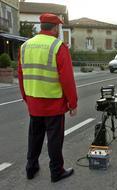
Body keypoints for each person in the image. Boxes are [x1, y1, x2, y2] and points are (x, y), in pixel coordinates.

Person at [18, 13, 78, 183]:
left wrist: (25, 97)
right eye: (58, 27)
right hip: (53, 103)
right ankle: (56, 172)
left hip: (34, 102)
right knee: (54, 139)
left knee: (34, 136)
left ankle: (31, 168)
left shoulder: (25, 46)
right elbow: (67, 79)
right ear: (55, 28)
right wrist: (72, 103)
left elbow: (21, 75)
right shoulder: (58, 46)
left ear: (41, 26)